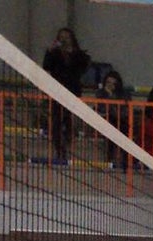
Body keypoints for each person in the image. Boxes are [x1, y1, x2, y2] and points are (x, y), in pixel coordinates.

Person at [42, 27, 90, 160]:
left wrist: (72, 53)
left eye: (66, 37)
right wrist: (49, 51)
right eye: (61, 37)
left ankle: (67, 141)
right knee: (56, 121)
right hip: (56, 90)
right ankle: (59, 149)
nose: (64, 40)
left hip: (72, 90)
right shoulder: (54, 53)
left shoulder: (78, 54)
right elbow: (46, 66)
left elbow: (83, 67)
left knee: (67, 118)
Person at [94, 69, 130, 168]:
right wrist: (108, 96)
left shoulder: (124, 94)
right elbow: (101, 108)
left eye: (113, 83)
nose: (110, 85)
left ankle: (125, 160)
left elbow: (123, 111)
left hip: (122, 120)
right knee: (110, 127)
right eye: (108, 82)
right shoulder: (100, 93)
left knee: (122, 129)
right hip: (107, 121)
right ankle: (109, 158)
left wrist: (111, 98)